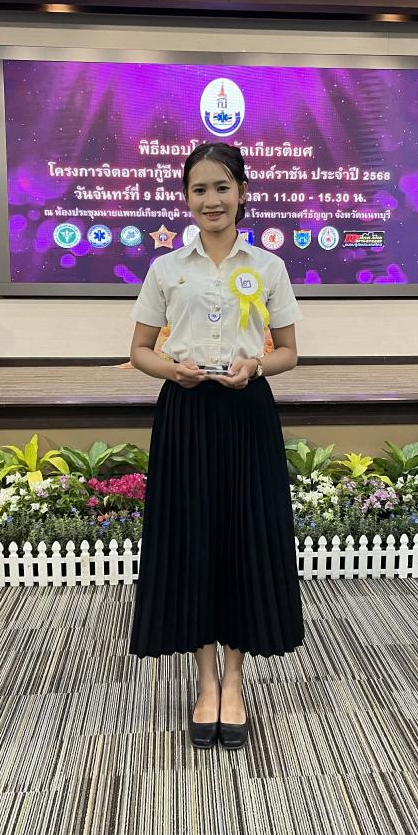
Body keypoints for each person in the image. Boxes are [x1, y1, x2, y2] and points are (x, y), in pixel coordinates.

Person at [127, 142, 305, 750]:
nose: (212, 200)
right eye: (200, 189)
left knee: (241, 537)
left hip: (246, 413)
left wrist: (256, 366)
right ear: (186, 198)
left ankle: (234, 678)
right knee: (195, 540)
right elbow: (140, 350)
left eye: (222, 187)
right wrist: (171, 371)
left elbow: (289, 352)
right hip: (187, 414)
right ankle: (204, 681)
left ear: (242, 193)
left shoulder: (268, 267)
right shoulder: (166, 268)